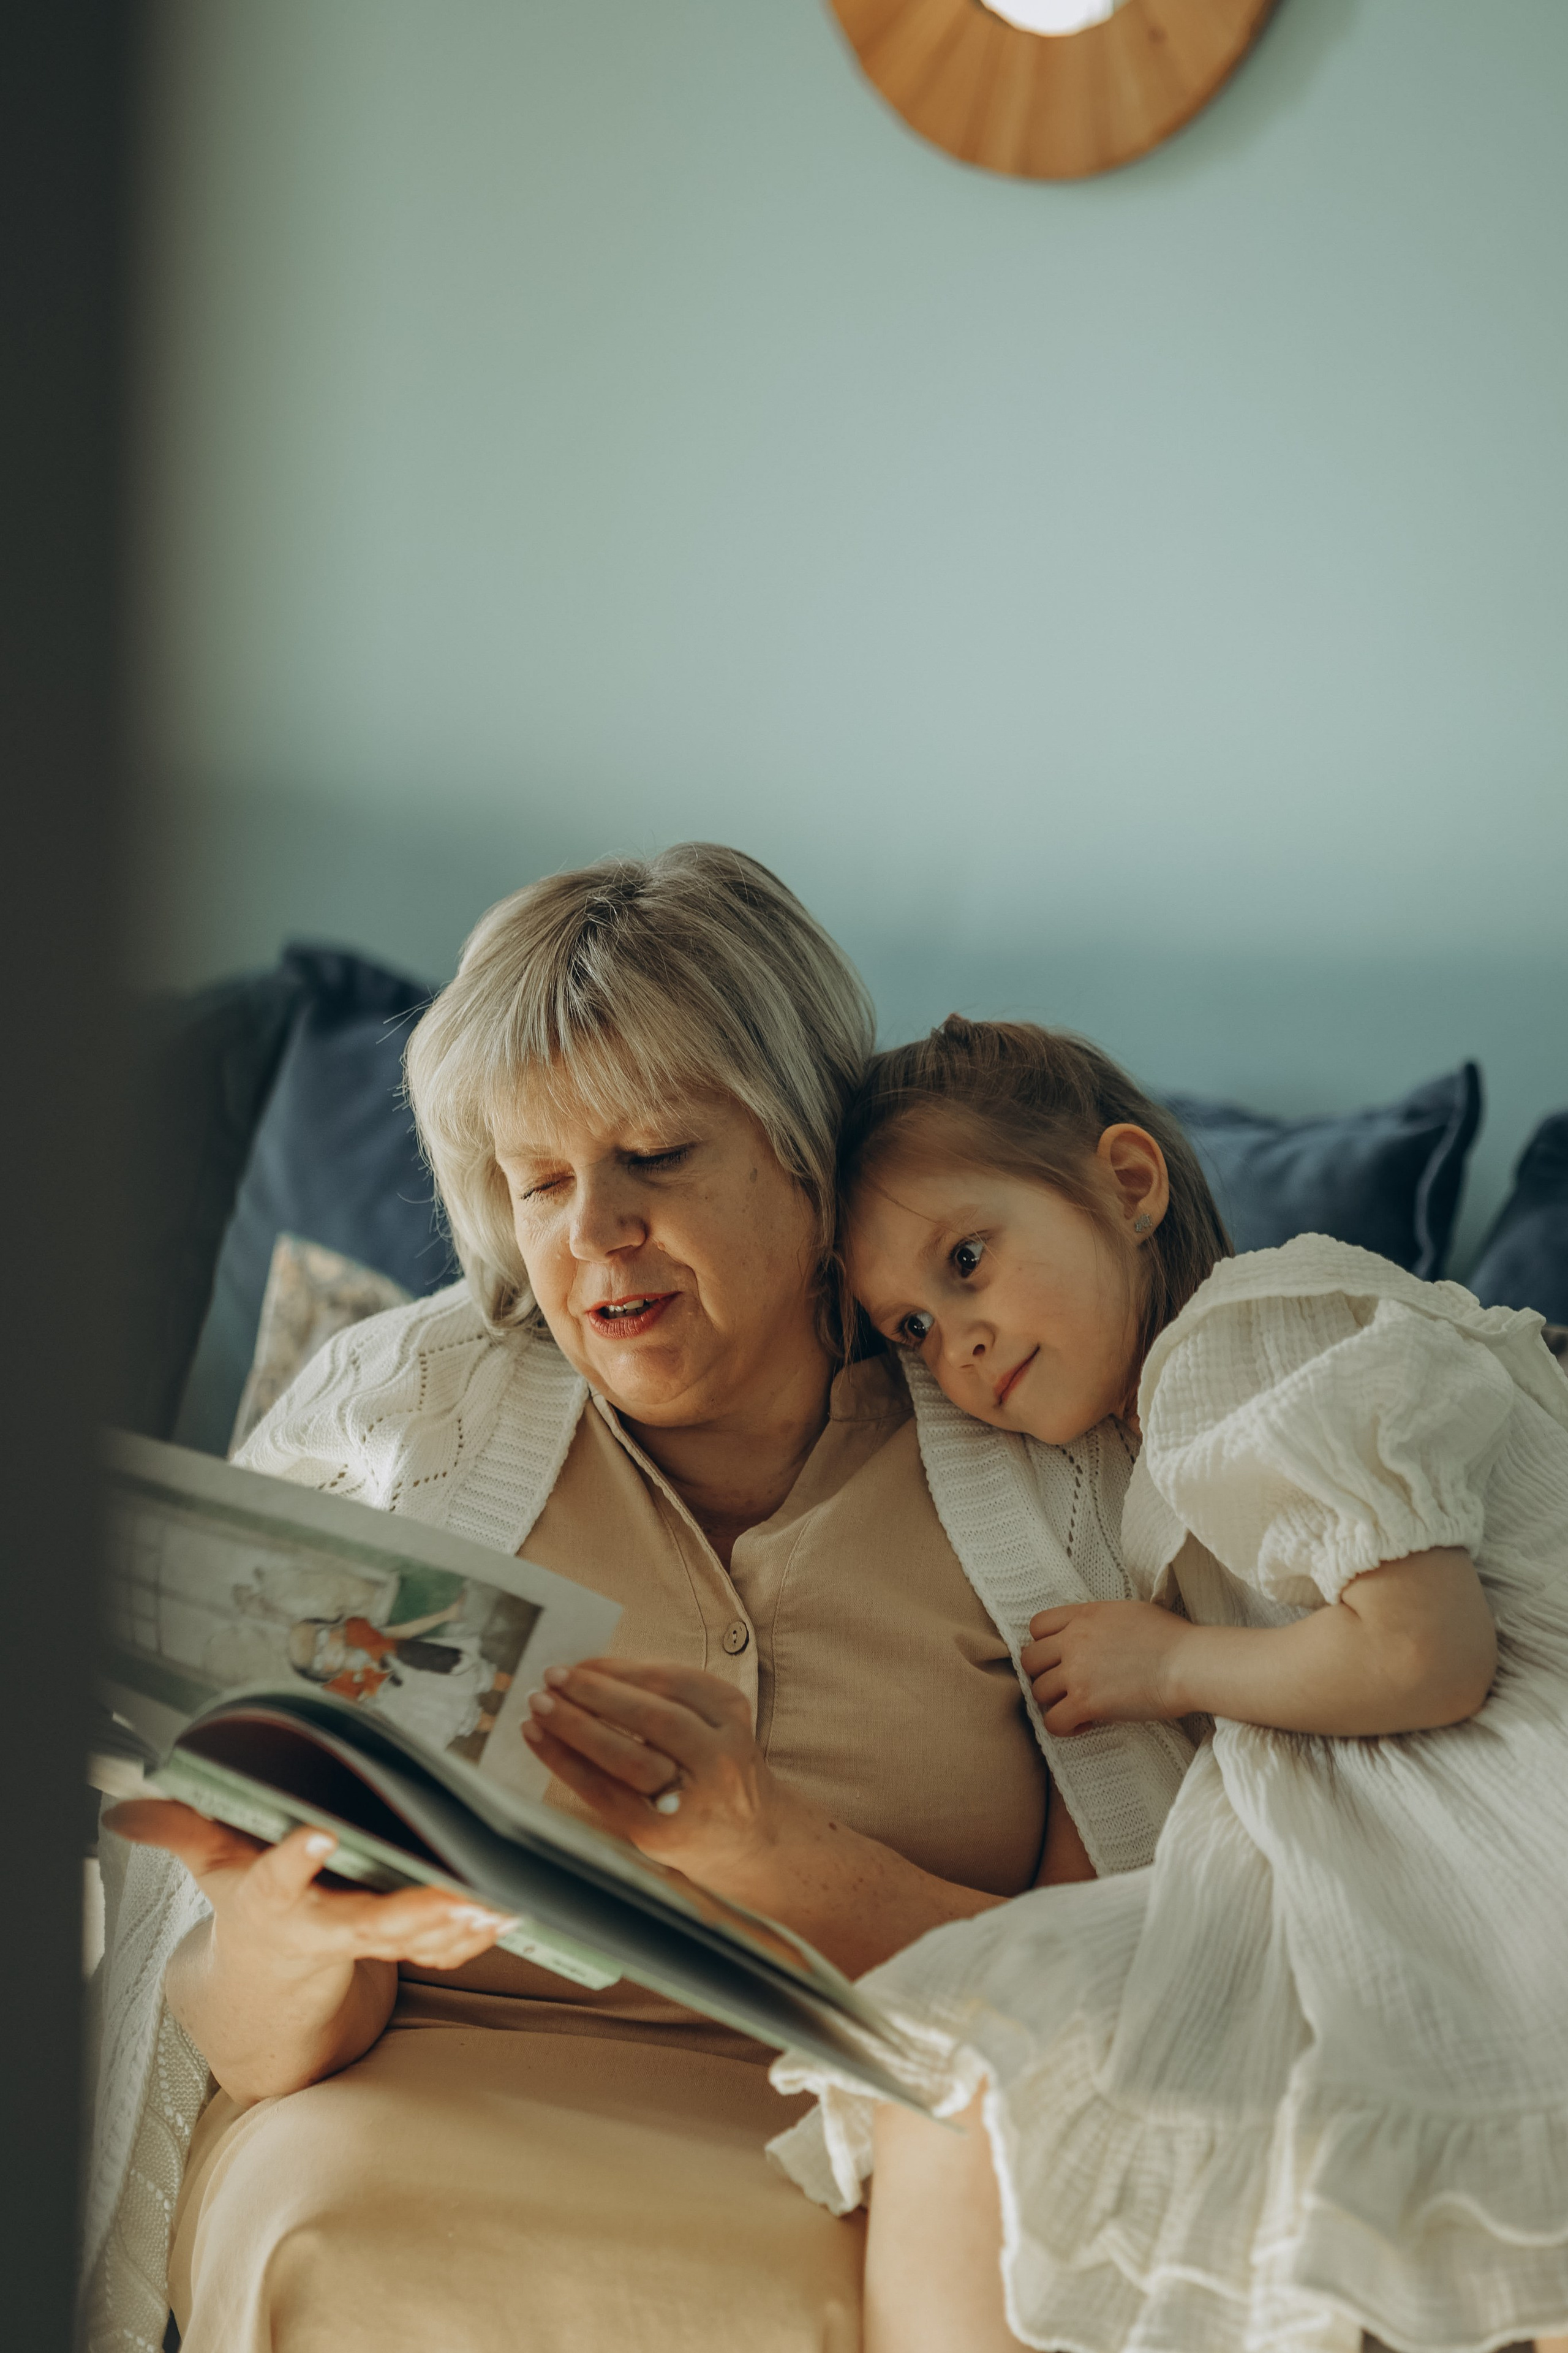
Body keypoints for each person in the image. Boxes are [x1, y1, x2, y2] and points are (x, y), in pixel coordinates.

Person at [84, 855, 1197, 2353]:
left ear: (808, 1158)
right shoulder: (400, 1421)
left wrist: (772, 1855)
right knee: (326, 2232)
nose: (594, 1229)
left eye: (657, 1155)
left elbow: (1128, 1987)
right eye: (538, 1180)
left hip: (878, 2136)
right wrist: (286, 1929)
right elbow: (255, 2046)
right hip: (406, 2104)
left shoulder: (1041, 1438)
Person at [753, 1014, 1568, 2353]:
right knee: (994, 2013)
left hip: (1508, 1802)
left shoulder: (1253, 1333)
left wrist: (1172, 1662)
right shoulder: (1151, 1451)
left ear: (1127, 1184)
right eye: (911, 1322)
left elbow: (1423, 1651)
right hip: (1397, 1828)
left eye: (968, 1260)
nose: (953, 1343)